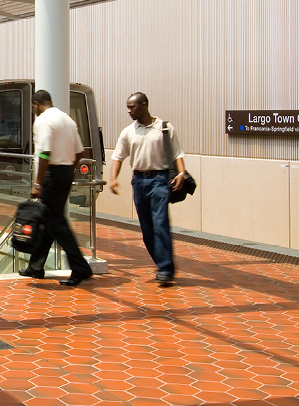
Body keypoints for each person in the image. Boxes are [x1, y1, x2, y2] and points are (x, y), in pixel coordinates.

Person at [109, 92, 187, 286]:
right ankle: (162, 264)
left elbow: (177, 153)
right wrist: (113, 179)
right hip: (139, 181)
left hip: (159, 180)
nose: (129, 111)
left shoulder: (164, 128)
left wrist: (181, 173)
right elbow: (118, 158)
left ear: (144, 105)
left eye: (132, 107)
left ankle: (166, 269)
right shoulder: (128, 132)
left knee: (160, 223)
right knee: (147, 230)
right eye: (128, 107)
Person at [19, 90, 93, 287]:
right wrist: (68, 168)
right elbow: (80, 151)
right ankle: (35, 266)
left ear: (36, 104)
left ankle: (80, 267)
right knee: (49, 220)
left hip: (51, 174)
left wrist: (38, 183)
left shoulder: (43, 121)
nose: (33, 110)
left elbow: (44, 153)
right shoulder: (67, 119)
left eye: (33, 106)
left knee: (57, 223)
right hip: (66, 172)